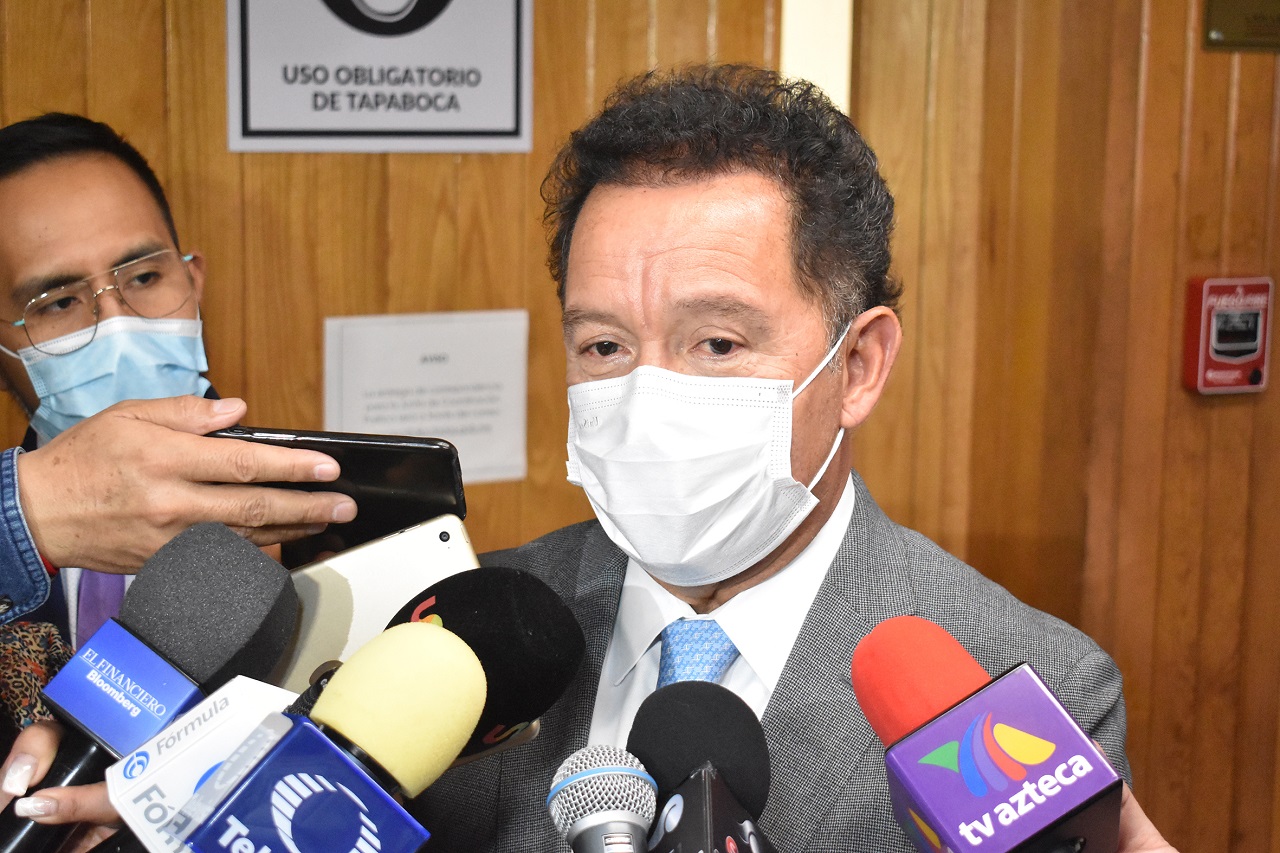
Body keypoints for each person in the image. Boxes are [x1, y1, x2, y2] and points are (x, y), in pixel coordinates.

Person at [0, 68, 1177, 853]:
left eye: (716, 342)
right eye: (604, 345)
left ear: (858, 364)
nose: (645, 393)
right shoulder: (460, 626)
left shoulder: (1022, 691)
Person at [0, 113, 356, 637]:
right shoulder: (12, 536)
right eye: (58, 303)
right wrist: (25, 519)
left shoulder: (331, 515)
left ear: (192, 281)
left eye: (145, 277)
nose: (119, 328)